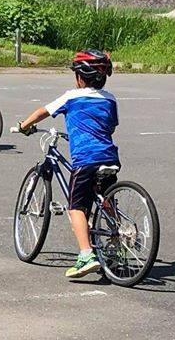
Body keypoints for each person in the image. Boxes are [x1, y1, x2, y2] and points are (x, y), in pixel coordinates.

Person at [16, 50, 120, 281]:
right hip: (110, 157)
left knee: (76, 207)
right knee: (105, 198)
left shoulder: (71, 97)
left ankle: (86, 255)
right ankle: (117, 240)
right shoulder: (110, 99)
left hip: (85, 159)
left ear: (80, 77)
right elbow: (111, 125)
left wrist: (23, 125)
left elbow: (43, 112)